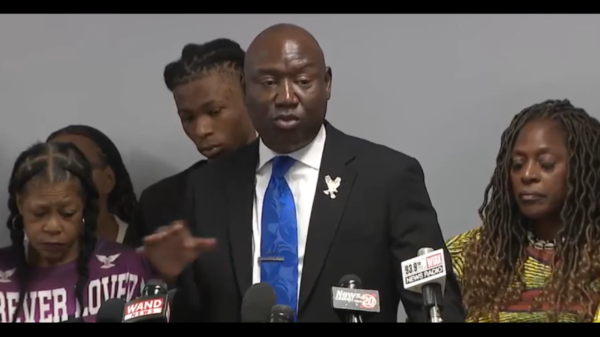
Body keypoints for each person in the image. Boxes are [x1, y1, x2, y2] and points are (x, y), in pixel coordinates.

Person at [143, 23, 465, 322]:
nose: (286, 97)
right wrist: (168, 277)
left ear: (327, 84)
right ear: (245, 89)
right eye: (269, 83)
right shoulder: (207, 188)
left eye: (303, 81)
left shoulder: (387, 178)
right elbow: (198, 311)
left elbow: (434, 303)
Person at [446, 99, 600, 322]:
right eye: (517, 164)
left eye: (545, 164)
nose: (527, 175)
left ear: (583, 170)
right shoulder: (465, 256)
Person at [0, 142, 153, 322]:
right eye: (39, 213)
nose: (53, 227)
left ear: (83, 207)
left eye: (67, 213)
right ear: (20, 205)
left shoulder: (128, 270)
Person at [125, 38, 257, 247]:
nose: (200, 130)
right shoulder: (160, 204)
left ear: (251, 97)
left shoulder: (301, 181)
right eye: (187, 117)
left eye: (214, 111)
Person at [47, 125, 137, 245]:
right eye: (50, 168)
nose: (60, 177)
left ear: (108, 179)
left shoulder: (142, 251)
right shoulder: (28, 252)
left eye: (77, 165)